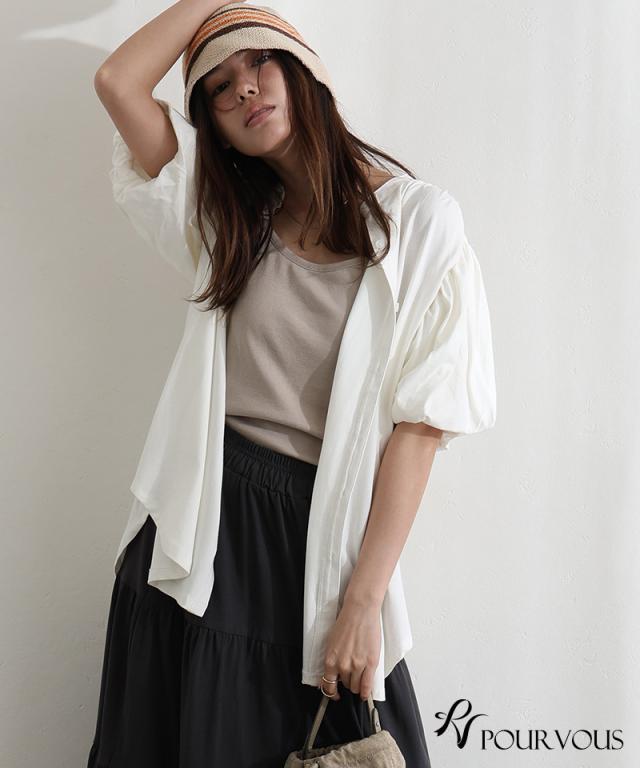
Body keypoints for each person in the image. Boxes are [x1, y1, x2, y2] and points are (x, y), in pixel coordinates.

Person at [87, 1, 497, 766]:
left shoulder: (420, 224)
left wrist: (364, 599)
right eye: (218, 88)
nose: (243, 87)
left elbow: (421, 429)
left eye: (259, 61)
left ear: (306, 72)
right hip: (200, 529)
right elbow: (117, 81)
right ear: (215, 126)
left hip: (320, 532)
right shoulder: (226, 220)